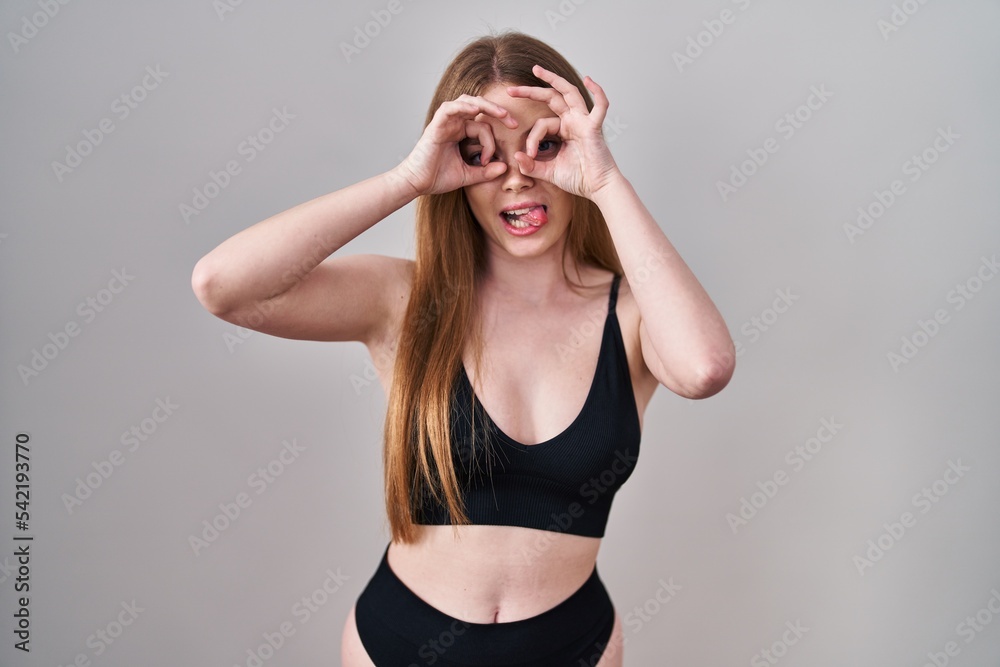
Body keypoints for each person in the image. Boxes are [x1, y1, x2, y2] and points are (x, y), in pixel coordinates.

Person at [191, 30, 734, 667]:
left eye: (544, 145)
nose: (516, 179)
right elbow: (223, 287)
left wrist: (606, 180)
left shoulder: (633, 315)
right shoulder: (404, 300)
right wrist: (408, 179)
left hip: (573, 645)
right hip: (400, 643)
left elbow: (704, 368)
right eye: (481, 154)